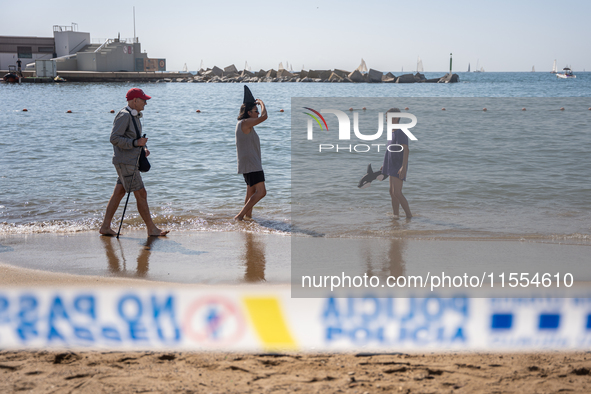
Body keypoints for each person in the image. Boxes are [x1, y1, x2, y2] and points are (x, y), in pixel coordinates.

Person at [99, 88, 169, 236]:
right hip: (126, 162)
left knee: (119, 192)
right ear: (135, 100)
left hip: (128, 161)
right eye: (144, 100)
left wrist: (143, 148)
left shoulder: (134, 116)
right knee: (141, 194)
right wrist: (135, 143)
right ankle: (151, 229)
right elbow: (114, 138)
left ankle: (105, 226)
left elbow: (136, 138)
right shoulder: (124, 116)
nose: (146, 103)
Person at [234, 86, 268, 221]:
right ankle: (240, 216)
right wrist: (262, 103)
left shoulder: (244, 124)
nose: (258, 113)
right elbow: (265, 117)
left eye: (258, 110)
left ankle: (247, 217)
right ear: (248, 112)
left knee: (251, 191)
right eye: (256, 111)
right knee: (262, 192)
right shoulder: (245, 123)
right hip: (251, 164)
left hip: (249, 164)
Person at [382, 108, 412, 219]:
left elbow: (406, 150)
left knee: (397, 192)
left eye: (388, 117)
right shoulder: (392, 132)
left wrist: (403, 167)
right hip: (391, 165)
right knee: (392, 192)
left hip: (398, 165)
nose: (386, 119)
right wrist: (385, 165)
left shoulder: (400, 132)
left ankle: (409, 216)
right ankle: (396, 215)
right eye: (386, 117)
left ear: (395, 118)